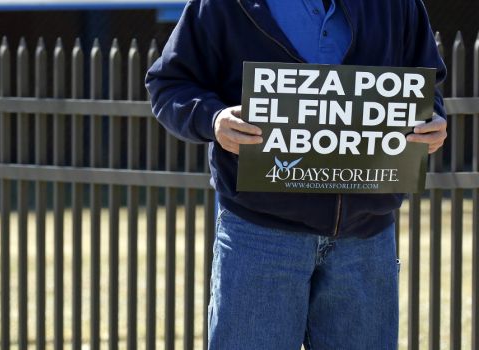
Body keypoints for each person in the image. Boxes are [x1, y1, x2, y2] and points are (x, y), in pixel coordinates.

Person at [145, 0, 447, 348]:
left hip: (367, 239)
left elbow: (424, 84)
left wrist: (431, 121)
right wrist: (213, 120)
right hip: (260, 236)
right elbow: (169, 82)